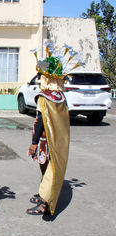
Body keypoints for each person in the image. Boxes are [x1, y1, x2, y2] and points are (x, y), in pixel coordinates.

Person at [26, 44, 75, 216]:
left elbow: (41, 121)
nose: (39, 79)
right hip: (57, 142)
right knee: (48, 169)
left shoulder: (45, 97)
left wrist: (33, 143)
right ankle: (43, 195)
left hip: (46, 141)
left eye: (41, 76)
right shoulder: (61, 97)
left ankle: (45, 204)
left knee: (46, 169)